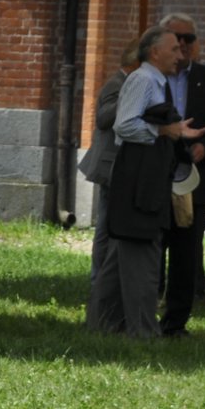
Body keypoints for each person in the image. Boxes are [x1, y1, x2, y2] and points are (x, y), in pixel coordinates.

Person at [85, 26, 205, 338]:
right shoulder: (143, 79)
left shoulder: (155, 80)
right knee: (142, 254)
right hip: (138, 177)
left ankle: (104, 324)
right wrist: (163, 132)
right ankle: (143, 331)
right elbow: (125, 125)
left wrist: (175, 131)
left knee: (120, 254)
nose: (181, 55)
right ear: (155, 52)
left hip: (145, 174)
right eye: (174, 50)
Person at [156, 13, 205, 336]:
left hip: (194, 179)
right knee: (154, 245)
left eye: (189, 39)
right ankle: (146, 308)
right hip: (158, 174)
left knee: (188, 250)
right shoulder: (152, 77)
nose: (183, 45)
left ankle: (177, 320)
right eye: (177, 39)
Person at [79, 41, 140, 289]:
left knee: (111, 223)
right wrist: (128, 96)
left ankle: (106, 278)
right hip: (110, 166)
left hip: (117, 165)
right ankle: (99, 279)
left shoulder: (124, 83)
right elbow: (104, 118)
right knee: (105, 226)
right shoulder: (117, 84)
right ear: (135, 63)